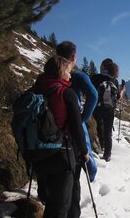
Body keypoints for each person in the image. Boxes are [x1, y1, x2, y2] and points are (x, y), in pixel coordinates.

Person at [30, 55, 89, 218]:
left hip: (36, 152)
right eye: (69, 71)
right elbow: (77, 128)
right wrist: (84, 152)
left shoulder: (34, 90)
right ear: (61, 72)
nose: (70, 75)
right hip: (60, 155)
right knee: (59, 205)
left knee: (49, 198)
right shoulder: (65, 93)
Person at [56, 41, 98, 218]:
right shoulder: (77, 76)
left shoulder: (50, 74)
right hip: (71, 132)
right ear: (73, 56)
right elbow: (94, 95)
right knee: (74, 179)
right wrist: (83, 118)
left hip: (50, 132)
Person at [91, 59, 125, 162]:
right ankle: (107, 154)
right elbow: (118, 97)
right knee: (108, 131)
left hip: (97, 106)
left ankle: (101, 147)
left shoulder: (95, 78)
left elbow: (89, 91)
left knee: (98, 126)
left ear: (103, 67)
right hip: (110, 109)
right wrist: (123, 90)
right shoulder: (114, 80)